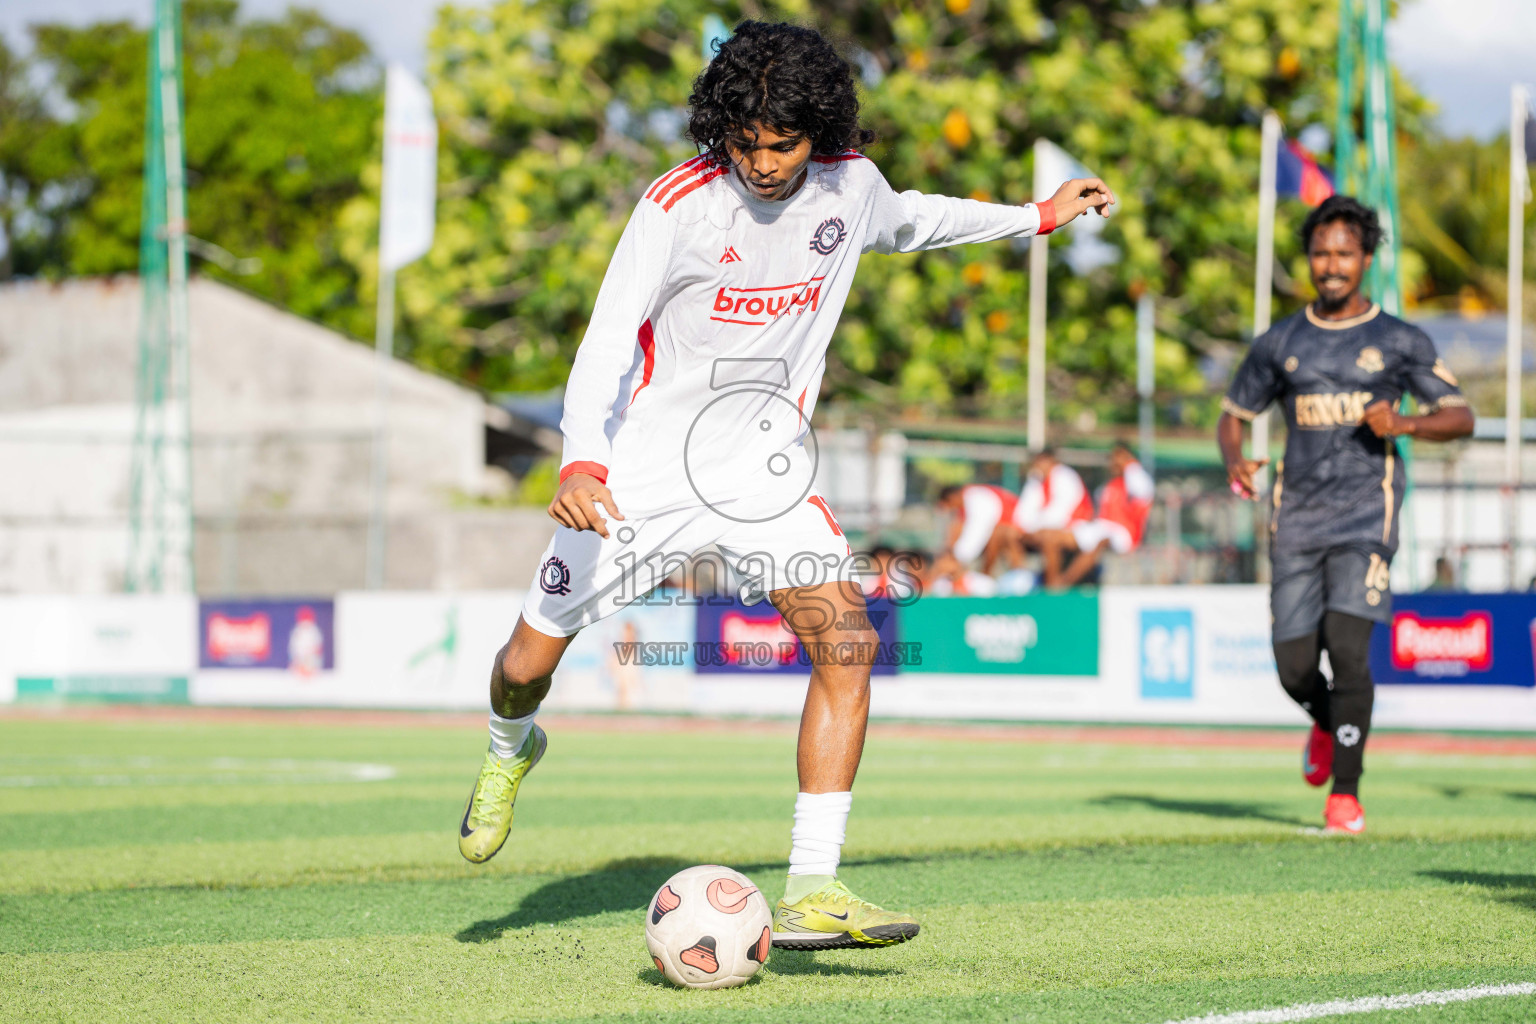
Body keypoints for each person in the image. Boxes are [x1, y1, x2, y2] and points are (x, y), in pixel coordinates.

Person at [457, 21, 1115, 950]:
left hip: (766, 470)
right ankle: (506, 750)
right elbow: (607, 337)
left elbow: (923, 219)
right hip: (640, 475)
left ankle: (814, 886)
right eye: (745, 143)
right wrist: (579, 459)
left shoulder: (852, 188)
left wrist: (1036, 217)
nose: (762, 163)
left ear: (822, 133)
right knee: (525, 668)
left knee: (846, 642)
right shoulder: (676, 204)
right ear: (720, 128)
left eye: (783, 144)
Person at [1217, 195, 1473, 835]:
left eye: (1344, 254)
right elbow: (1233, 416)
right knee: (1294, 667)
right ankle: (1330, 726)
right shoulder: (1281, 341)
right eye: (1321, 253)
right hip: (1296, 519)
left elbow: (1461, 416)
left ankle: (1346, 795)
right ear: (1310, 258)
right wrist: (1234, 458)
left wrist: (1407, 422)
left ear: (1365, 259)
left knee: (1349, 649)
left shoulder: (1398, 339)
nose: (1331, 265)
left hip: (1366, 517)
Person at [1037, 442, 1153, 587]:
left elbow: (1145, 490)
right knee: (1051, 536)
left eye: (1118, 458)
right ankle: (1050, 583)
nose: (1114, 462)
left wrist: (1129, 464)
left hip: (1124, 535)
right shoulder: (1107, 487)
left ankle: (1062, 585)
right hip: (1100, 528)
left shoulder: (1135, 482)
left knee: (1099, 542)